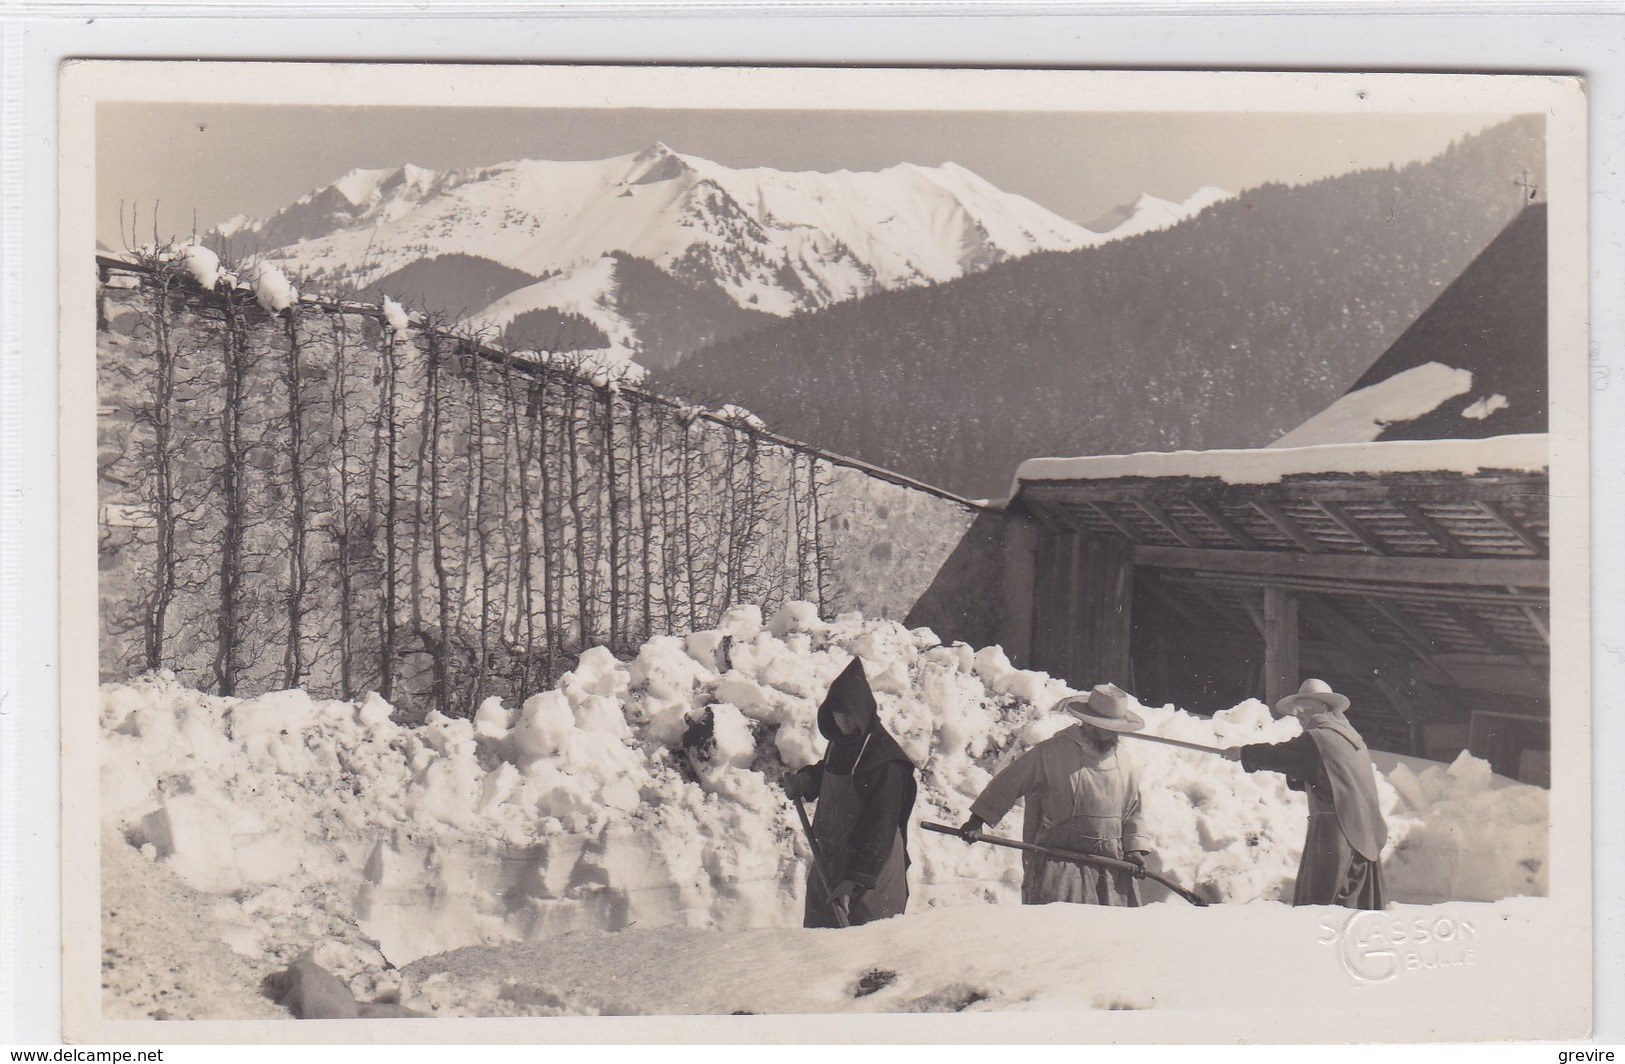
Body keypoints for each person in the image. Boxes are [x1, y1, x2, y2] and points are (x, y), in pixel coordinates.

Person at [958, 683, 1154, 906]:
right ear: (1089, 724)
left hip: (1110, 869)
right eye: (1108, 727)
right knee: (1060, 933)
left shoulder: (1124, 763)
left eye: (1116, 728)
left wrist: (1134, 850)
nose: (1114, 735)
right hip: (1062, 865)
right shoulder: (1052, 751)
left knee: (1108, 937)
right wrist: (977, 820)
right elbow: (1010, 782)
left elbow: (1133, 810)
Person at [1221, 678, 1388, 909]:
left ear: (1322, 707)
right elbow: (1319, 774)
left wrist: (1244, 753)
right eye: (1296, 710)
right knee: (1354, 903)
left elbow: (1284, 755)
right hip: (1361, 832)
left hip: (1336, 831)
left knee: (1322, 902)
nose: (1299, 715)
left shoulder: (1319, 738)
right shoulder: (1349, 737)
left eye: (1304, 708)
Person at [782, 657, 918, 928]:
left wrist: (853, 879)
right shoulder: (842, 742)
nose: (843, 721)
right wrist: (807, 780)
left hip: (871, 868)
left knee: (868, 947)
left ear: (863, 711)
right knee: (821, 940)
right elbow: (831, 772)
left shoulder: (885, 760)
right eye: (837, 713)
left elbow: (881, 825)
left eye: (849, 714)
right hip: (830, 858)